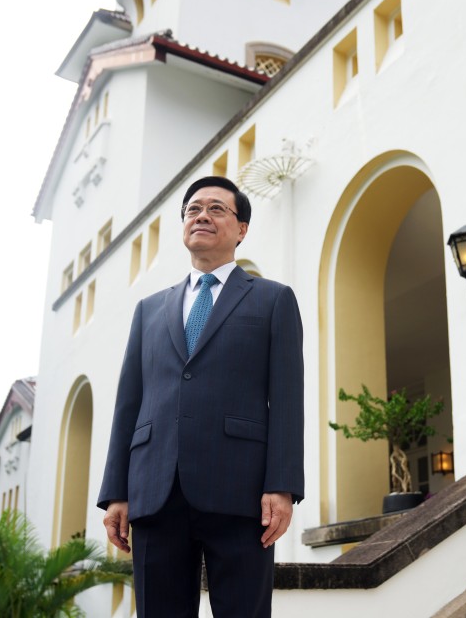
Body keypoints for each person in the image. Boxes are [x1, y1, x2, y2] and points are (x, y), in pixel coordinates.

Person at [98, 176, 304, 617]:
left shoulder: (273, 300)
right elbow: (128, 404)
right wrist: (117, 491)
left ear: (242, 228)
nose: (201, 216)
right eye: (193, 209)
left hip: (242, 493)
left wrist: (281, 485)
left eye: (216, 209)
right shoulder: (149, 310)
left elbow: (287, 398)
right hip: (155, 492)